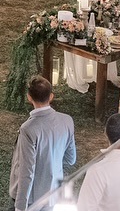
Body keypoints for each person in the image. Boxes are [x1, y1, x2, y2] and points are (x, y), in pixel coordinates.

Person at [9, 75, 76, 211]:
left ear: (29, 97)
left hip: (32, 199)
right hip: (54, 193)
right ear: (51, 96)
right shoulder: (67, 120)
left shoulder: (28, 129)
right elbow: (71, 159)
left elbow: (27, 171)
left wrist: (20, 207)